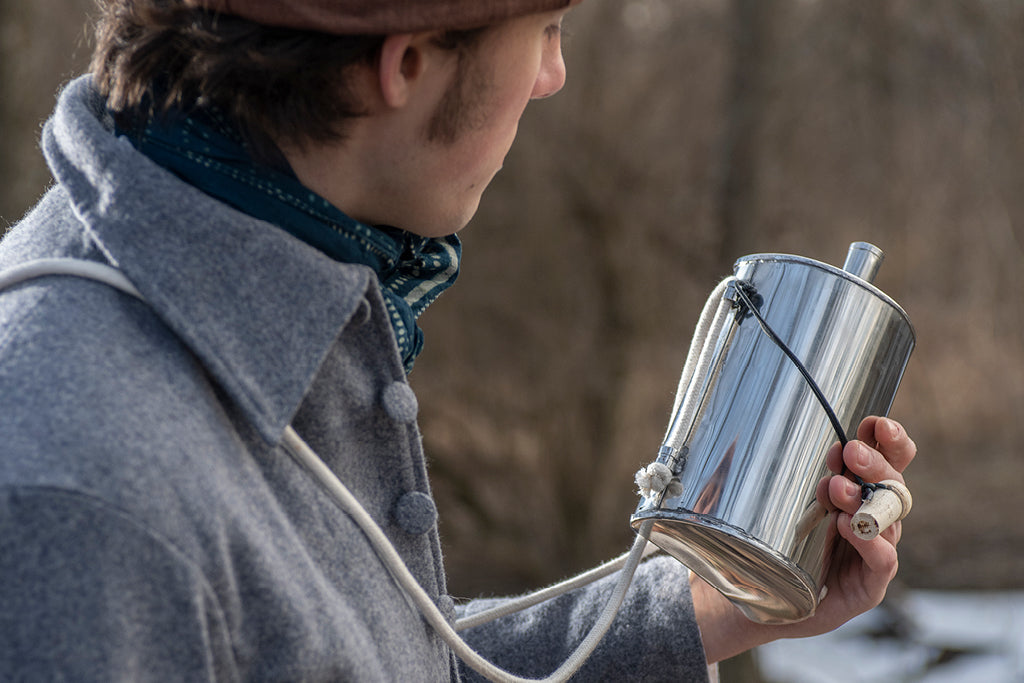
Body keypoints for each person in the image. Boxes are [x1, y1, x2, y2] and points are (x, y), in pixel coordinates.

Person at [0, 0, 915, 680]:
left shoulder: (242, 283)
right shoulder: (75, 491)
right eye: (547, 29)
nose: (554, 76)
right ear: (407, 62)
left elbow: (380, 658)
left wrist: (707, 603)